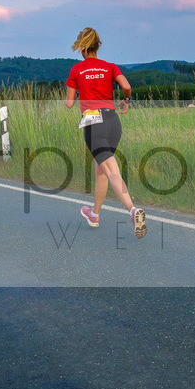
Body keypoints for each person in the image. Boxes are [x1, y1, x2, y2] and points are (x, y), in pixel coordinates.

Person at [66, 27, 146, 239]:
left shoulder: (76, 70)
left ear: (82, 48)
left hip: (95, 125)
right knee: (101, 168)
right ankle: (94, 215)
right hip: (113, 122)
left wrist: (80, 90)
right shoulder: (110, 67)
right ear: (98, 46)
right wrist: (126, 99)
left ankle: (132, 210)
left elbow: (69, 103)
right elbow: (126, 86)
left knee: (111, 171)